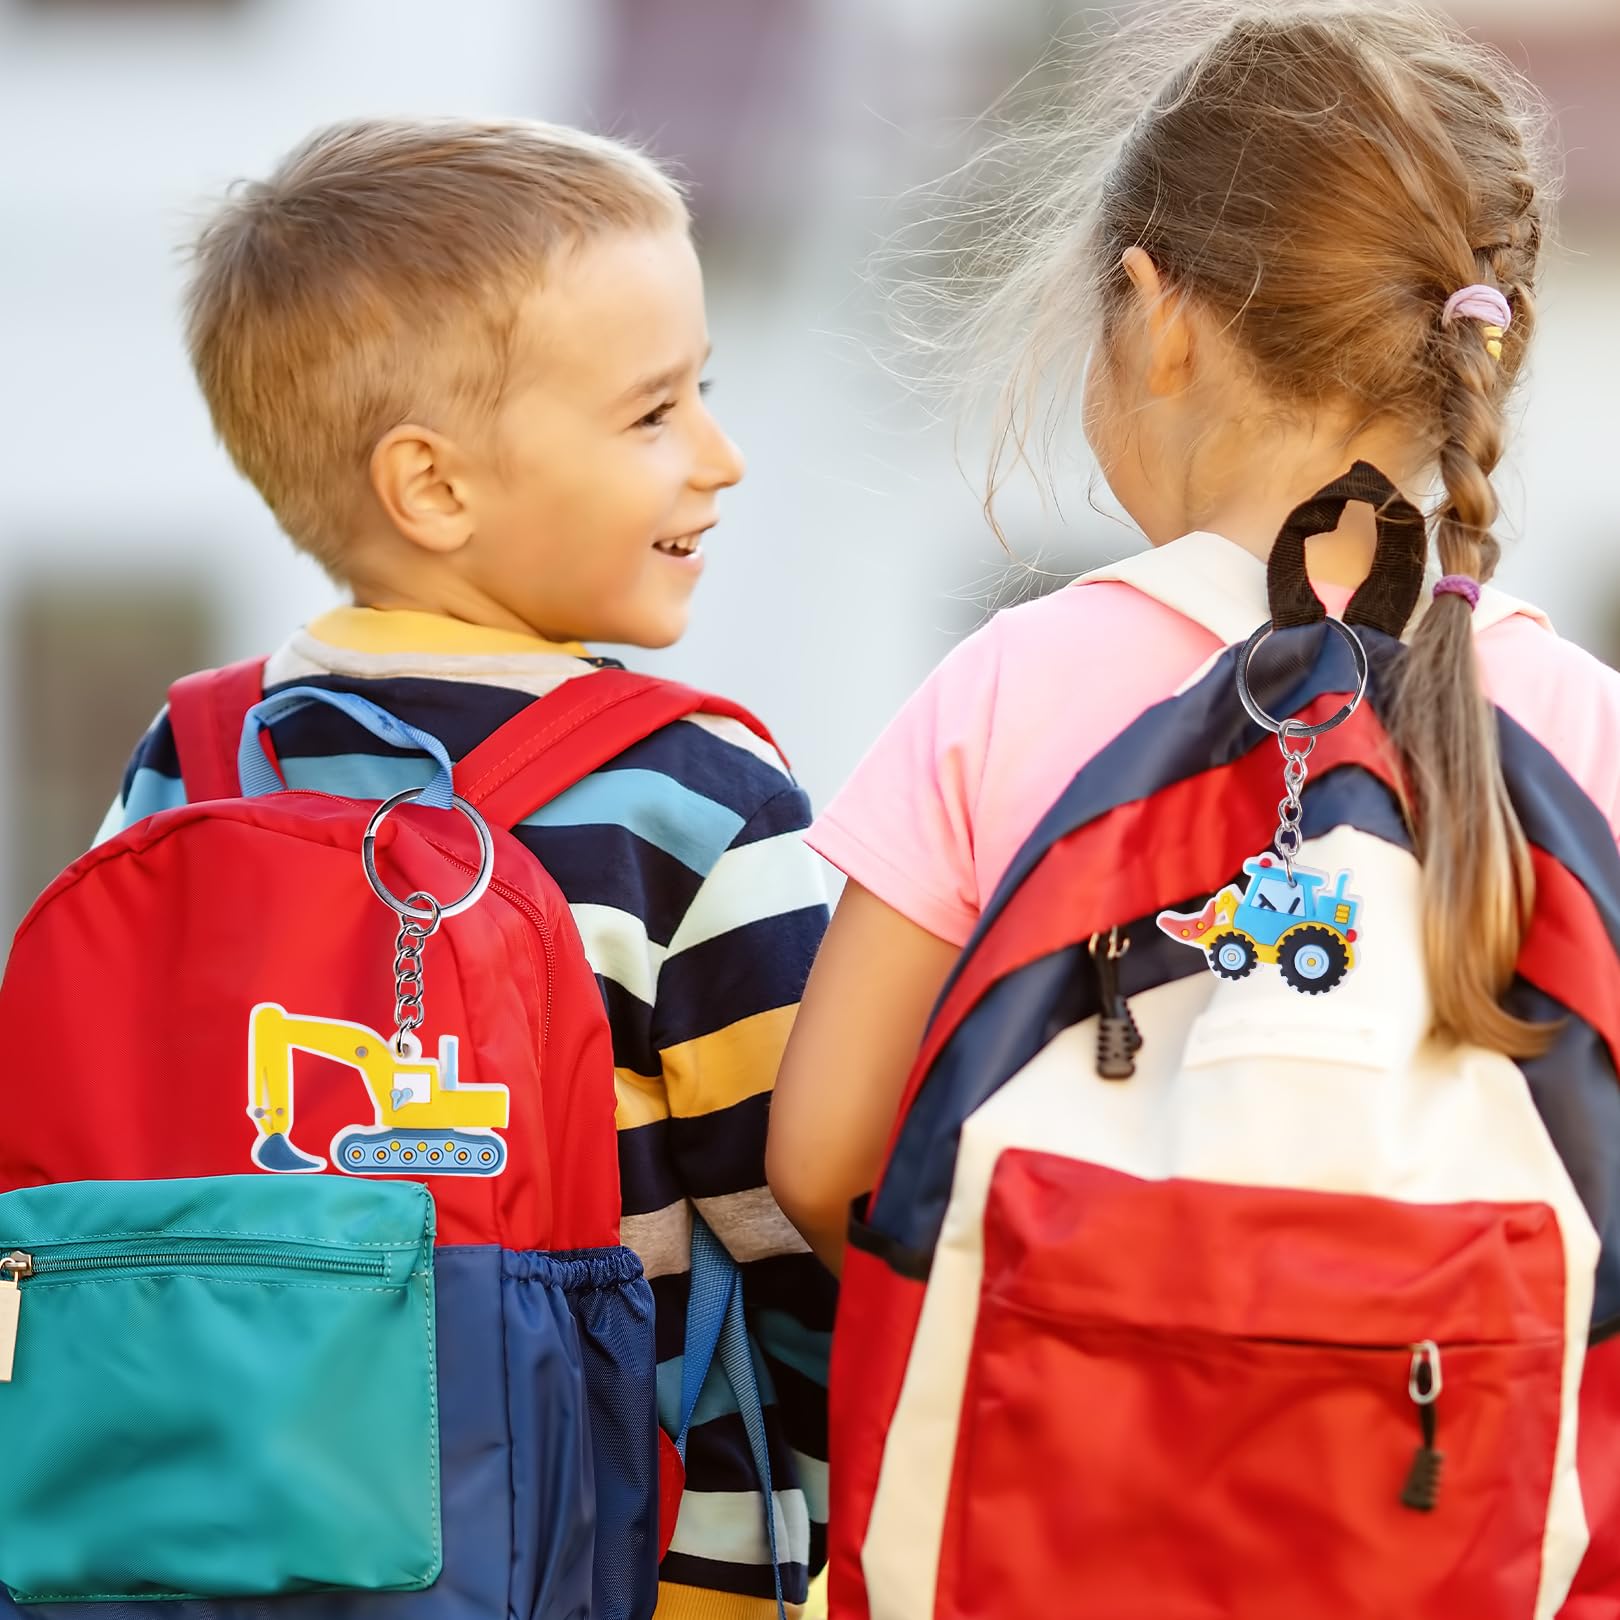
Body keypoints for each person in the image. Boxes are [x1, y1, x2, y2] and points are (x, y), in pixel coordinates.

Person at [768, 5, 1620, 1613]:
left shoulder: (1013, 685)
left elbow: (825, 1156)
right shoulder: (1580, 726)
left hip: (1053, 1526)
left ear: (1153, 320)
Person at [102, 117, 832, 1619]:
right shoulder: (692, 800)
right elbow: (817, 1211)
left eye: (708, 392)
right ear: (431, 487)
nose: (721, 455)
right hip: (638, 1561)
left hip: (215, 1535)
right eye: (654, 415)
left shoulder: (191, 763)